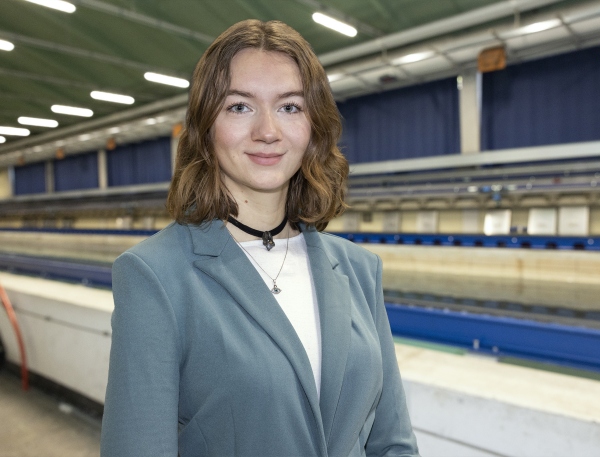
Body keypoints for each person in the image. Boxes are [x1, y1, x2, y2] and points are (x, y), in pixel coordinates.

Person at [100, 19, 419, 457]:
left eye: (290, 107)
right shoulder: (155, 277)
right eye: (239, 106)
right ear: (205, 126)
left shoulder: (360, 271)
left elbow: (393, 443)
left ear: (314, 127)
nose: (268, 131)